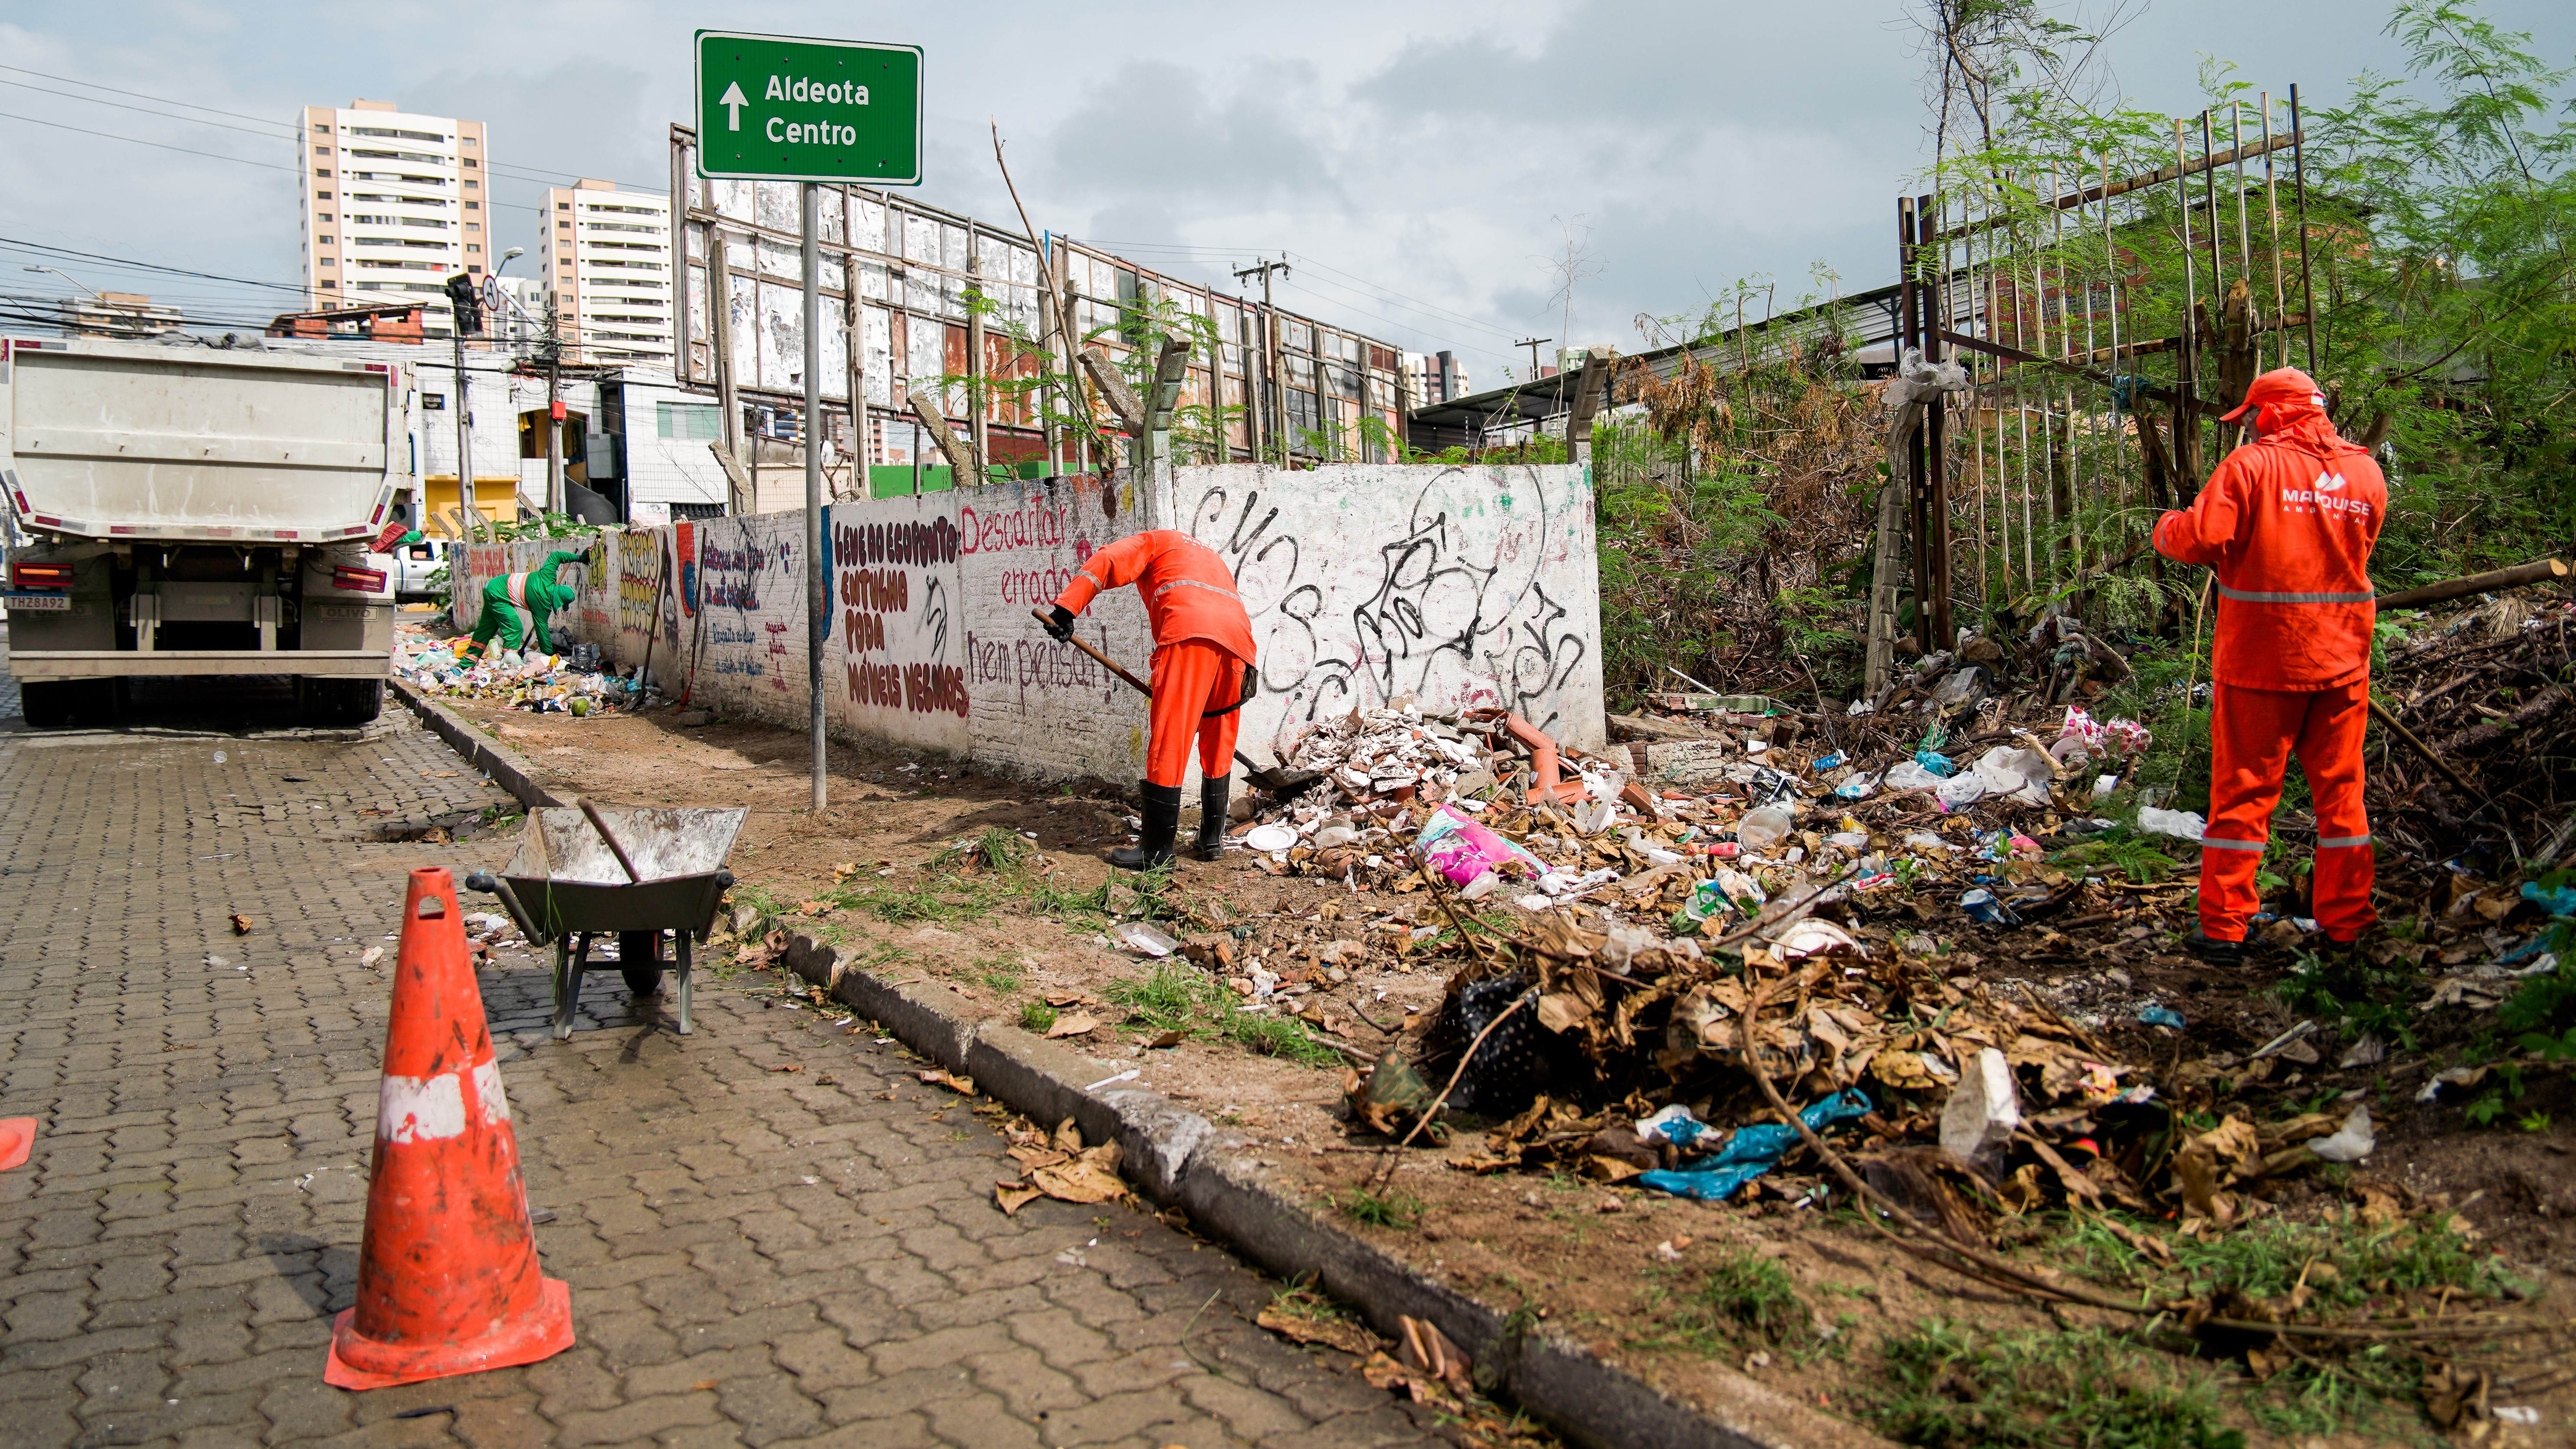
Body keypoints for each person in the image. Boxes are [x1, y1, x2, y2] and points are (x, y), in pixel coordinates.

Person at [2153, 367, 2387, 963]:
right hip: (2340, 660)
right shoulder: (2364, 472)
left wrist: (2165, 527)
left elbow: (2200, 538)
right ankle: (2347, 927)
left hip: (2262, 662)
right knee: (2341, 799)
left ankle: (2224, 930)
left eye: (2254, 414)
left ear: (2275, 414)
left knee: (2241, 798)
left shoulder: (2250, 467)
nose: (2251, 424)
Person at [1044, 530, 1257, 869]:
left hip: (1189, 633)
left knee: (1170, 738)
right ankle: (1211, 840)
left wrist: (1066, 608)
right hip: (1240, 644)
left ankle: (1157, 851)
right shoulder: (1207, 555)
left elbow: (1107, 560)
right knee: (1218, 738)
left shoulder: (1154, 541)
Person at [459, 550, 587, 666]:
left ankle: (466, 663)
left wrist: (579, 558)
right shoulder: (543, 604)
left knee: (486, 629)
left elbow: (557, 556)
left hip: (493, 586)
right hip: (498, 595)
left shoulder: (548, 576)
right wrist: (549, 658)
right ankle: (510, 664)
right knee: (515, 629)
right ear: (558, 601)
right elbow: (543, 634)